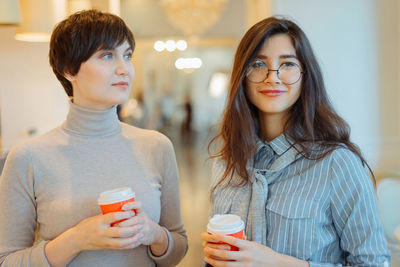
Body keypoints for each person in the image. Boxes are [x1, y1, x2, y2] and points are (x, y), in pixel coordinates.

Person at [0, 10, 187, 267]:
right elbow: (7, 261)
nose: (124, 69)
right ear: (69, 69)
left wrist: (153, 233)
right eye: (107, 55)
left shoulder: (157, 146)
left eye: (128, 55)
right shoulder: (28, 157)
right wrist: (77, 239)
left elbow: (177, 248)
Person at [200, 17, 391, 267]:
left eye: (287, 63)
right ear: (242, 77)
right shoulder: (226, 163)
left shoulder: (337, 163)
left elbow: (374, 263)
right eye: (258, 64)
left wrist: (278, 263)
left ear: (305, 74)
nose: (272, 77)